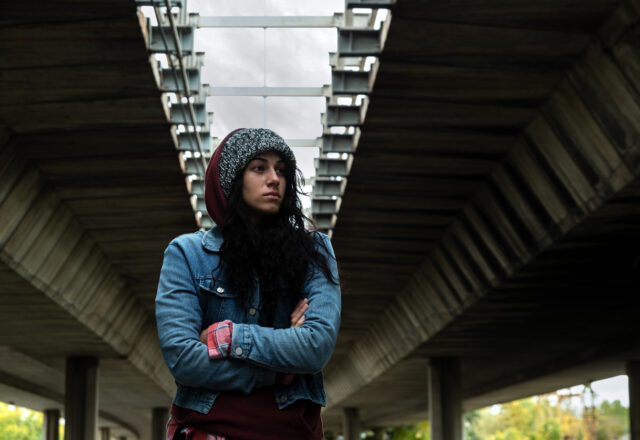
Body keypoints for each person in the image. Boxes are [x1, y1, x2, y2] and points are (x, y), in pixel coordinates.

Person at [155, 128, 341, 440]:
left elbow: (315, 348)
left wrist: (228, 337)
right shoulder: (186, 254)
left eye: (282, 170)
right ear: (231, 180)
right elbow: (184, 360)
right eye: (259, 168)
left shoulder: (315, 251)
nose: (274, 179)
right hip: (206, 431)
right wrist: (281, 368)